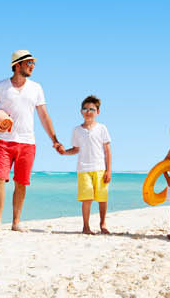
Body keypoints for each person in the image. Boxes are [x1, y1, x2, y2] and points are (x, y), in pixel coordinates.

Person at [0, 50, 58, 232]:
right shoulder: (1, 86)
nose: (32, 66)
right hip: (4, 142)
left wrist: (54, 140)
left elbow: (44, 116)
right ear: (17, 65)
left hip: (27, 143)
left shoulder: (36, 88)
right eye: (28, 63)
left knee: (21, 182)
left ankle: (16, 222)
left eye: (33, 63)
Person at [57, 95, 112, 234]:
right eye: (85, 109)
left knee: (102, 198)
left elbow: (107, 151)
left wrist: (108, 170)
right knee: (86, 198)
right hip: (83, 169)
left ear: (97, 112)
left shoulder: (102, 128)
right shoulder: (77, 130)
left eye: (92, 109)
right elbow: (76, 149)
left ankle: (103, 224)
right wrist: (64, 152)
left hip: (100, 168)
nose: (88, 111)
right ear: (81, 112)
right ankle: (86, 226)